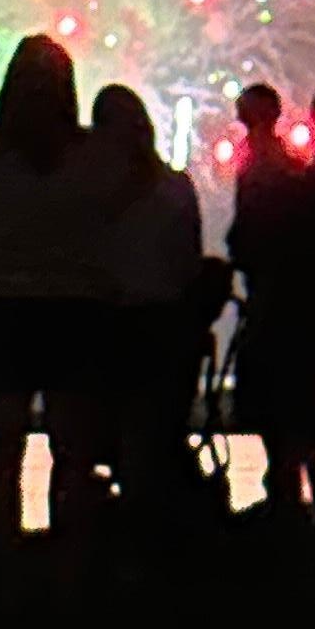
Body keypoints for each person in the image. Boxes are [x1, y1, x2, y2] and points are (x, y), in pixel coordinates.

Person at [0, 34, 114, 540]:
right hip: (73, 308)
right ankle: (67, 558)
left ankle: (3, 555)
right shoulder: (92, 154)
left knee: (2, 448)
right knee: (72, 449)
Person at [230, 80, 315, 528]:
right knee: (299, 432)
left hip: (292, 320)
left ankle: (300, 517)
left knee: (296, 431)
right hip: (309, 320)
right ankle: (303, 517)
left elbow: (257, 239)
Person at [85, 84, 214, 528]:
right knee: (156, 435)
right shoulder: (174, 187)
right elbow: (189, 260)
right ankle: (157, 530)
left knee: (108, 437)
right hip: (167, 326)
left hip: (109, 327)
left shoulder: (90, 192)